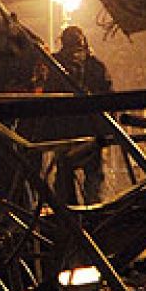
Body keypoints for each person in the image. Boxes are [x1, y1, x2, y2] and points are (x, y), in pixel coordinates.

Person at [47, 25, 113, 205]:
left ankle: (71, 213)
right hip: (85, 129)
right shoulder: (95, 66)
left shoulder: (55, 65)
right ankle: (91, 211)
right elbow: (108, 96)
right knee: (91, 176)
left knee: (68, 175)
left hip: (69, 130)